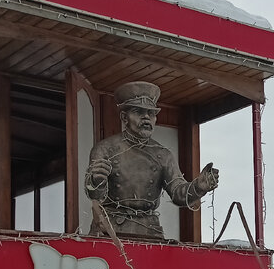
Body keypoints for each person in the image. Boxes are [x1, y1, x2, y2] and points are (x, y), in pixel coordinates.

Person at [84, 81, 220, 238]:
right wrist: (96, 181)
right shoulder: (105, 148)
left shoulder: (163, 154)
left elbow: (178, 193)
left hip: (150, 232)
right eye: (138, 112)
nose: (146, 117)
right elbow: (95, 195)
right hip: (111, 231)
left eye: (151, 113)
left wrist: (198, 187)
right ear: (124, 117)